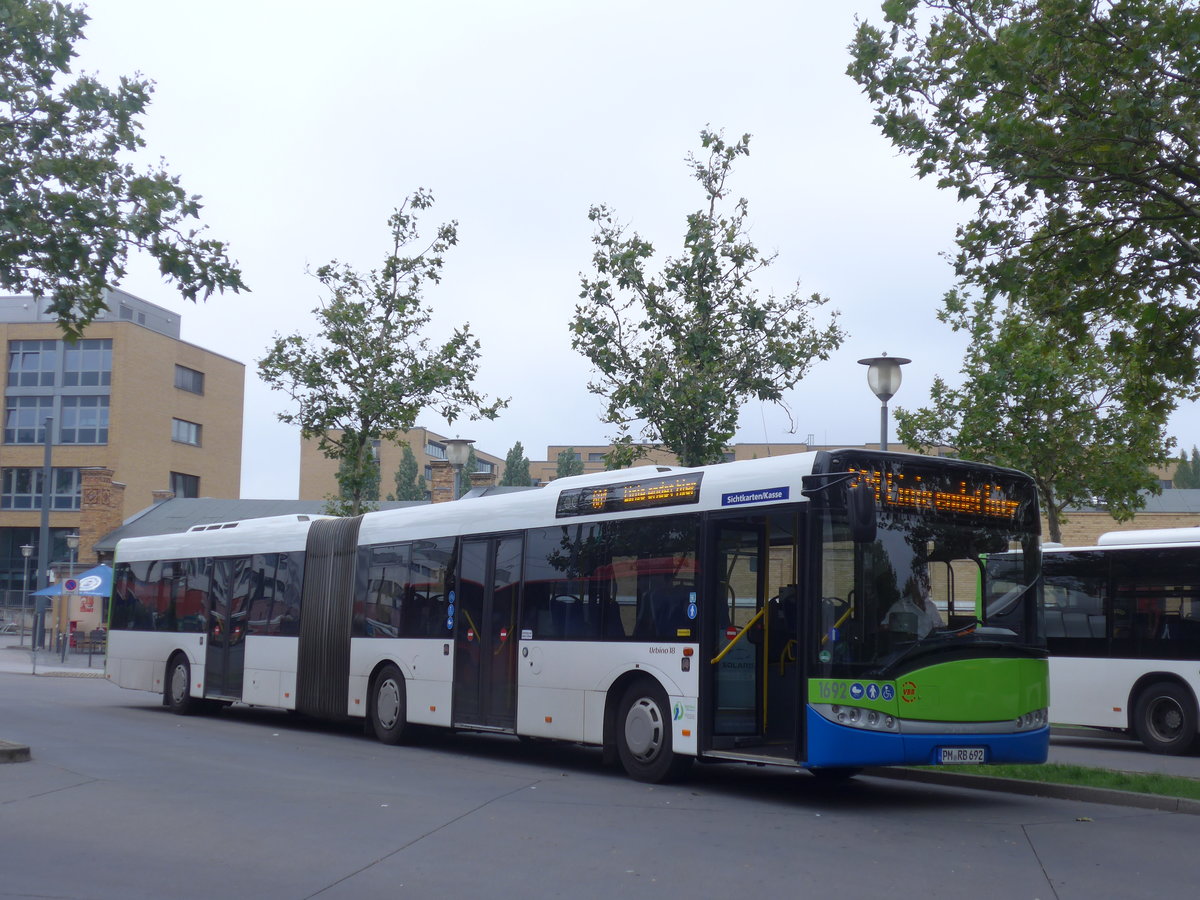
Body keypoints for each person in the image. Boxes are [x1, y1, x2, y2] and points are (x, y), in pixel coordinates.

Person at [883, 572, 943, 637]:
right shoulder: (900, 606)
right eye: (921, 585)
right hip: (909, 646)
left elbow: (939, 629)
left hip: (928, 645)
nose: (924, 590)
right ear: (912, 587)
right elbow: (884, 627)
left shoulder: (931, 606)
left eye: (926, 586)